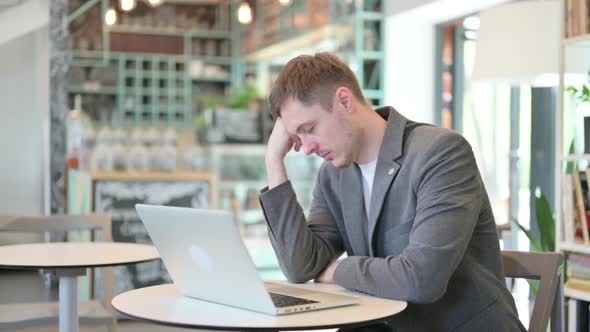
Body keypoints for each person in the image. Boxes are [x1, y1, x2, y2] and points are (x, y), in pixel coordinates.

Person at [259, 53, 525, 332]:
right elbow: (302, 267)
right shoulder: (334, 176)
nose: (307, 148)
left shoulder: (440, 153)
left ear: (344, 101)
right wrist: (274, 162)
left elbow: (421, 279)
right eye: (297, 137)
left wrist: (336, 270)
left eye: (309, 129)